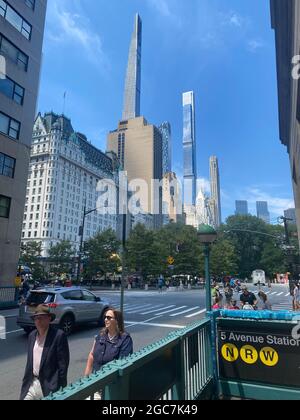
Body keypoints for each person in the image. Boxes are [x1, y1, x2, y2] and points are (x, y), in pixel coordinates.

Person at [20, 305, 70, 400]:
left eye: (42, 318)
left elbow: (63, 365)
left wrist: (61, 389)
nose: (38, 321)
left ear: (49, 318)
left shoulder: (58, 336)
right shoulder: (32, 336)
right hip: (31, 383)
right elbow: (29, 363)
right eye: (36, 318)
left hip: (49, 386)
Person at [84, 308, 133, 377]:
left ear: (117, 321)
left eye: (109, 317)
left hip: (110, 381)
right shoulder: (101, 335)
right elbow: (91, 355)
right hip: (95, 378)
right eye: (105, 317)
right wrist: (86, 375)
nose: (106, 319)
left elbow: (123, 363)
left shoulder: (125, 339)